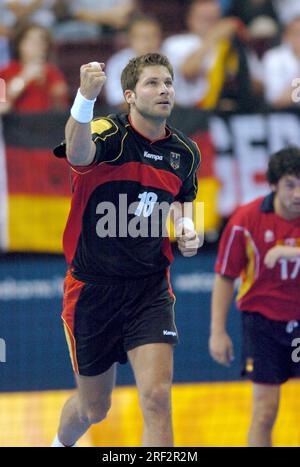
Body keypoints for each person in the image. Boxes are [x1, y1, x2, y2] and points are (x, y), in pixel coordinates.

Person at [51, 52, 201, 447]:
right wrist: (84, 98)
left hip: (148, 289)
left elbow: (183, 200)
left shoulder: (184, 153)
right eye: (153, 83)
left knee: (156, 398)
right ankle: (58, 443)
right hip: (92, 290)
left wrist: (186, 227)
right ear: (130, 95)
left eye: (168, 82)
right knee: (93, 410)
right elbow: (77, 154)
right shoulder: (106, 133)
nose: (164, 89)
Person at [209, 147, 300, 447]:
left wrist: (290, 252)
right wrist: (217, 332)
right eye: (290, 184)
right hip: (262, 325)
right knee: (264, 412)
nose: (298, 193)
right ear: (273, 184)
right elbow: (225, 276)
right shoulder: (245, 221)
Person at [162, 0, 252, 110]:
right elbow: (188, 72)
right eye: (205, 19)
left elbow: (254, 85)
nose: (210, 24)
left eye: (214, 19)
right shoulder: (176, 43)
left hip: (226, 111)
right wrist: (212, 38)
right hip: (188, 113)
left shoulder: (228, 44)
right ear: (190, 19)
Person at [0, 22, 68, 113]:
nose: (37, 45)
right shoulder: (7, 70)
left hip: (46, 122)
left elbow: (61, 106)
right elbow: (3, 104)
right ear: (20, 45)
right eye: (31, 40)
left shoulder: (52, 71)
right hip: (16, 122)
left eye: (42, 41)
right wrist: (25, 77)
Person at [105, 15, 163, 109]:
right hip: (127, 116)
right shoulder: (117, 63)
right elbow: (117, 101)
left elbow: (179, 99)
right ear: (130, 39)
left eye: (154, 36)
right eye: (144, 37)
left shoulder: (169, 61)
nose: (149, 42)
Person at [262, 16, 300, 108]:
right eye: (297, 34)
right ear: (286, 37)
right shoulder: (274, 58)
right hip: (287, 116)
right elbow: (276, 100)